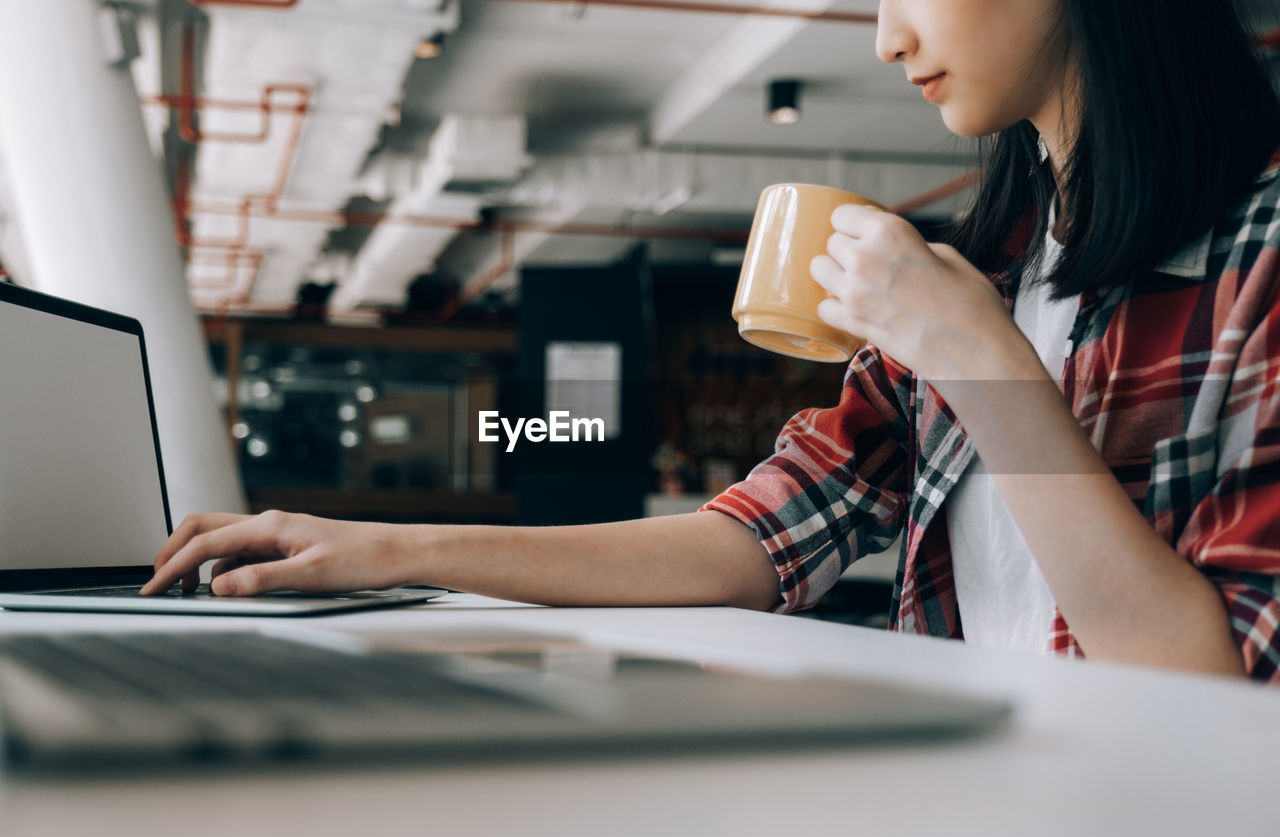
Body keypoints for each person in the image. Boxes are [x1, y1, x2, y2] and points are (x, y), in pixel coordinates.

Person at [146, 0, 1280, 683]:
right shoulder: (980, 268)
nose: (885, 38)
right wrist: (386, 550)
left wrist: (981, 364)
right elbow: (752, 540)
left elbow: (1215, 676)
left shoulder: (1255, 248)